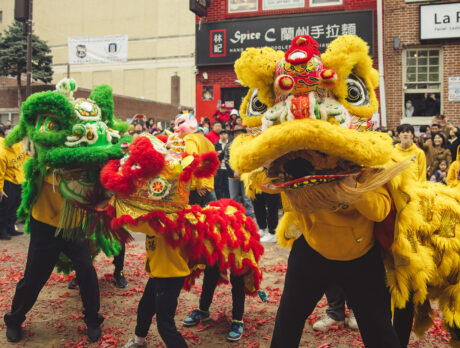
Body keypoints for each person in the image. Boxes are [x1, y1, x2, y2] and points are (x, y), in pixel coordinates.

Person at [271, 176, 401, 348]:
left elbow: (380, 210)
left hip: (360, 256)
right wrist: (272, 169)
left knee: (378, 327)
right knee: (288, 319)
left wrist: (352, 185)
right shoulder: (302, 152)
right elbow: (260, 180)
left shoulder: (369, 162)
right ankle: (335, 313)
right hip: (313, 248)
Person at [175, 113, 215, 207]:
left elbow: (194, 161)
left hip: (195, 187)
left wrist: (199, 184)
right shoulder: (207, 141)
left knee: (192, 217)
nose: (176, 128)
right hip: (206, 186)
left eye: (180, 123)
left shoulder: (189, 139)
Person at [0, 126, 25, 240]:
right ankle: (2, 230)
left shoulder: (19, 145)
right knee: (5, 207)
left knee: (15, 206)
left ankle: (11, 227)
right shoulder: (2, 152)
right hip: (7, 181)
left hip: (20, 180)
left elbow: (26, 156)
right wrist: (0, 190)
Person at [224, 126, 254, 217]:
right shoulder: (229, 145)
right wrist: (234, 172)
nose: (238, 134)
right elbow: (226, 160)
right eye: (236, 133)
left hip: (245, 174)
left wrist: (244, 172)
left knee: (247, 197)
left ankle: (249, 216)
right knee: (233, 197)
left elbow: (250, 159)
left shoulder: (248, 144)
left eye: (240, 133)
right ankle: (236, 216)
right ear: (233, 135)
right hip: (232, 175)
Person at [214, 130, 230, 199]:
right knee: (218, 186)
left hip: (228, 168)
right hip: (219, 168)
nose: (223, 135)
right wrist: (224, 153)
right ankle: (219, 201)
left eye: (224, 133)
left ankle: (228, 201)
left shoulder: (230, 143)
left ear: (227, 135)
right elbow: (216, 157)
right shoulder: (216, 144)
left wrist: (222, 152)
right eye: (221, 134)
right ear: (219, 135)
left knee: (227, 186)